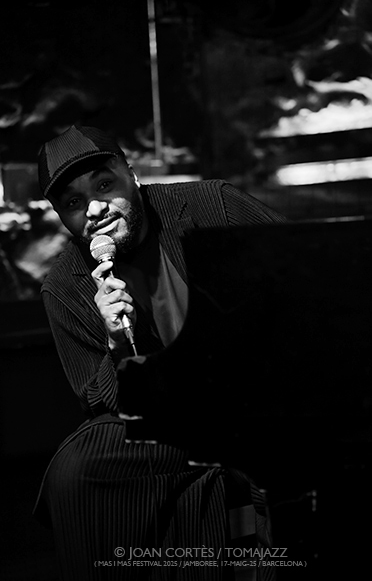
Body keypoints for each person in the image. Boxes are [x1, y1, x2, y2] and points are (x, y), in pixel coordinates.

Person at [33, 124, 286, 581]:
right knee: (75, 471)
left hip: (261, 397)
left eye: (104, 185)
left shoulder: (213, 205)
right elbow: (98, 407)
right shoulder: (64, 288)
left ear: (132, 175)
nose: (94, 209)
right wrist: (115, 345)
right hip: (172, 427)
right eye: (73, 203)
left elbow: (302, 272)